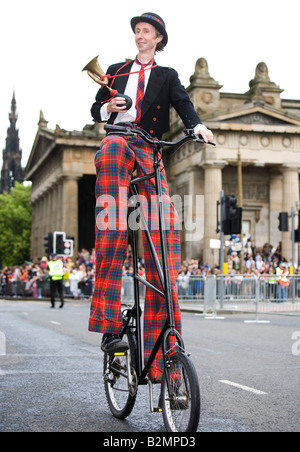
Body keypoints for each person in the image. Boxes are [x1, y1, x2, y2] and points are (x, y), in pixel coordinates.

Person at [88, 12, 214, 383]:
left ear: (158, 38)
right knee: (111, 222)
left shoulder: (167, 75)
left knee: (164, 237)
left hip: (150, 149)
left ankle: (163, 354)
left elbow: (184, 107)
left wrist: (197, 126)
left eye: (146, 32)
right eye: (137, 31)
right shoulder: (114, 70)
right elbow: (94, 109)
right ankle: (109, 321)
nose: (139, 36)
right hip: (117, 141)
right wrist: (107, 108)